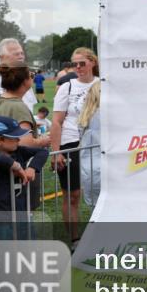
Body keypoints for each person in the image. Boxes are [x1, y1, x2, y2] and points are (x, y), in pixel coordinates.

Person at [50, 47, 98, 245]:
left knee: (102, 191)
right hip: (71, 143)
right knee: (73, 195)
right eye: (75, 64)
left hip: (97, 144)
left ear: (92, 62)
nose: (78, 67)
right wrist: (56, 152)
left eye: (82, 63)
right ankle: (74, 238)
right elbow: (56, 122)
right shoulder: (67, 87)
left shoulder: (104, 84)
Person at [0, 116, 48, 235]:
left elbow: (43, 152)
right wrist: (15, 165)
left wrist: (32, 168)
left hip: (22, 212)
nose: (19, 139)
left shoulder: (19, 151)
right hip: (2, 217)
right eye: (14, 137)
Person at [77, 80, 102, 208]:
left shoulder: (84, 116)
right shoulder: (106, 115)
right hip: (106, 167)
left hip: (89, 168)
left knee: (95, 208)